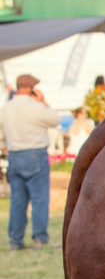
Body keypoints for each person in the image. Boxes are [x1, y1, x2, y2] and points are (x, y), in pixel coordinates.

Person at [0, 74, 61, 250]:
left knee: (17, 200)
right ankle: (40, 237)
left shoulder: (6, 108)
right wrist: (43, 101)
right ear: (30, 89)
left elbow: (1, 133)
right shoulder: (35, 106)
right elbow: (55, 120)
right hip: (35, 153)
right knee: (39, 198)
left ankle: (15, 239)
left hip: (15, 155)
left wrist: (5, 146)